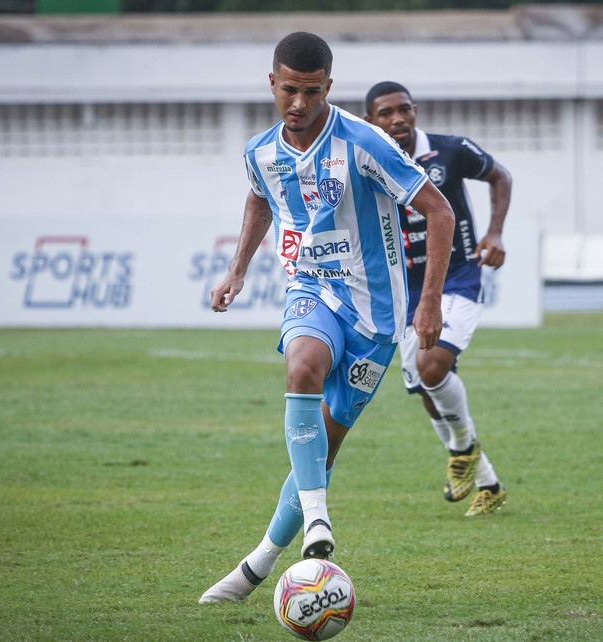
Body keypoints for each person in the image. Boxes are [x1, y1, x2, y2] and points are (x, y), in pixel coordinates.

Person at [198, 33, 455, 604]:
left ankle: (257, 565)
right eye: (288, 90)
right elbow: (260, 198)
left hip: (377, 320)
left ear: (328, 89)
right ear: (272, 83)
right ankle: (318, 519)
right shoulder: (259, 151)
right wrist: (237, 270)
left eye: (311, 92)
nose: (298, 103)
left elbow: (439, 211)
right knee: (302, 367)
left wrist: (429, 301)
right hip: (311, 290)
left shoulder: (365, 143)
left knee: (323, 449)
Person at [365, 81, 512, 517]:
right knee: (428, 391)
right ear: (371, 121)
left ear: (415, 111)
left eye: (404, 110)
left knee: (433, 366)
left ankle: (463, 452)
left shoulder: (449, 150)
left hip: (459, 276)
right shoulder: (367, 163)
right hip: (404, 289)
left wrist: (496, 230)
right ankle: (487, 480)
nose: (398, 120)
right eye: (386, 114)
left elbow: (500, 175)